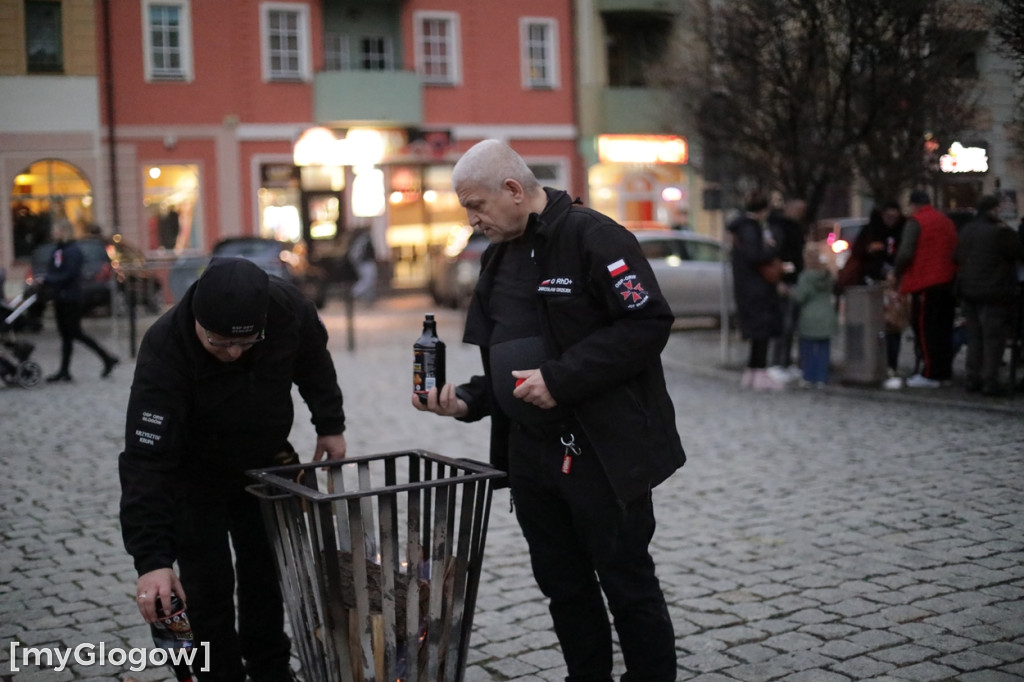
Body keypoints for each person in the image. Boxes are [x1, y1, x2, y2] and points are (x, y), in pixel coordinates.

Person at [411, 139, 684, 682]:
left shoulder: (596, 237)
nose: (471, 218)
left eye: (476, 205)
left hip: (603, 451)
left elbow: (647, 324)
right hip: (532, 456)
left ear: (513, 190)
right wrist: (466, 399)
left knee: (626, 582)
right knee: (562, 585)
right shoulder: (496, 258)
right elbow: (505, 364)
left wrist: (561, 379)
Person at [119, 257, 347, 682]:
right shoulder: (165, 346)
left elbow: (314, 362)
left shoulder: (287, 308)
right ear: (198, 324)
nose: (234, 353)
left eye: (246, 343)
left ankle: (270, 669)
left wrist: (330, 424)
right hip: (195, 475)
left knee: (266, 575)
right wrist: (151, 559)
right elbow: (145, 461)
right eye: (220, 343)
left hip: (265, 466)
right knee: (208, 587)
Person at [954, 195, 1023, 396]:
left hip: (969, 291)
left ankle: (972, 377)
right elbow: (1018, 252)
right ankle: (989, 380)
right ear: (993, 210)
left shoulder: (967, 230)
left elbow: (956, 256)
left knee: (974, 336)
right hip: (994, 291)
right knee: (993, 338)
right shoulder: (1000, 232)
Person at [894, 189, 958, 388]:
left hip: (926, 283)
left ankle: (929, 374)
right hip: (948, 281)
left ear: (914, 205)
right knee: (943, 329)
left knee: (925, 330)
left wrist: (897, 273)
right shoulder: (946, 221)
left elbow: (905, 253)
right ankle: (943, 371)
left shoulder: (916, 222)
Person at [42, 220, 119, 382]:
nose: (53, 233)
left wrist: (49, 279)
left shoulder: (72, 251)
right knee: (66, 336)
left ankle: (107, 358)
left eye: (55, 230)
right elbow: (54, 269)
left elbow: (68, 274)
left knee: (75, 332)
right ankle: (64, 370)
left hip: (71, 298)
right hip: (60, 297)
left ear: (63, 231)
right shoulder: (59, 250)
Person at [728, 190, 786, 390]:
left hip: (748, 287)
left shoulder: (742, 228)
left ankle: (753, 371)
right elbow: (755, 255)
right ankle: (759, 371)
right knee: (761, 330)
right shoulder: (750, 228)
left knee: (757, 331)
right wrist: (772, 249)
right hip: (756, 288)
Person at [848, 201, 907, 388]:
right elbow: (861, 254)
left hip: (895, 285)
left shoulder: (902, 230)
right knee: (874, 327)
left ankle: (891, 363)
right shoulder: (871, 231)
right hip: (873, 284)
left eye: (894, 218)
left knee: (893, 327)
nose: (891, 221)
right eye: (888, 217)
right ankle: (874, 363)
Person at [767, 198, 808, 383]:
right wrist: (778, 281)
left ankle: (785, 362)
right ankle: (777, 363)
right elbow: (775, 255)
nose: (801, 213)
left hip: (795, 279)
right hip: (785, 281)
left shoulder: (794, 227)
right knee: (784, 324)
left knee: (792, 325)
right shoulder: (780, 228)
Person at [790, 242, 838, 387]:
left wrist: (788, 292)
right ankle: (821, 377)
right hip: (827, 314)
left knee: (808, 349)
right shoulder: (827, 275)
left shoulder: (805, 276)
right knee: (824, 349)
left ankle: (808, 376)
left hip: (810, 316)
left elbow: (801, 297)